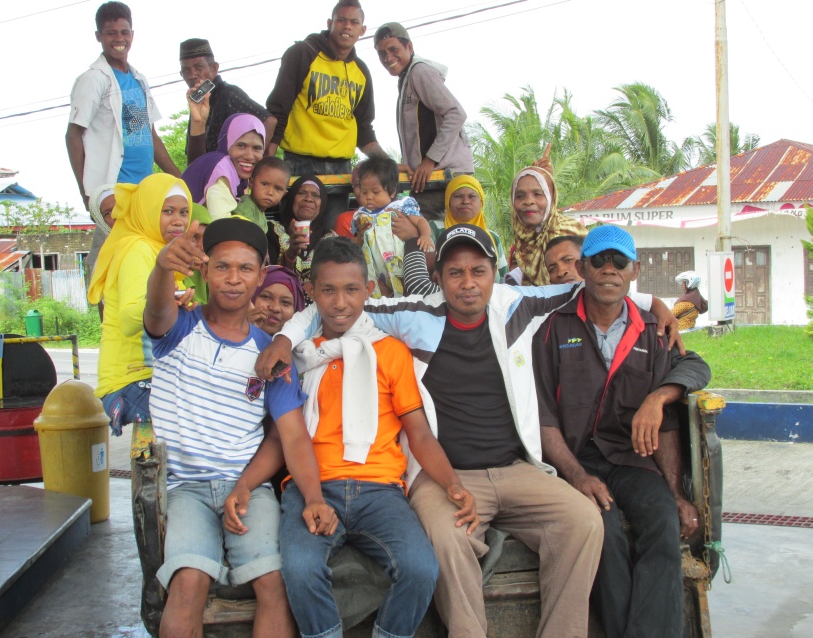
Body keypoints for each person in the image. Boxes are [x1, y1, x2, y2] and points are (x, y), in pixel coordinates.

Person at [257, 224, 683, 638]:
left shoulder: (515, 306)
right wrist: (282, 337)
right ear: (438, 277)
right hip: (447, 475)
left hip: (516, 469)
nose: (467, 283)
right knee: (444, 538)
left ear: (494, 274)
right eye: (455, 272)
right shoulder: (416, 315)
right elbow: (334, 301)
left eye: (478, 271)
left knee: (584, 522)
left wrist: (653, 302)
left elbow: (589, 286)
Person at [144, 216, 333, 638]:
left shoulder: (269, 354)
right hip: (184, 489)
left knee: (274, 585)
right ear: (204, 269)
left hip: (247, 489)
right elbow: (156, 311)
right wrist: (162, 267)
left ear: (260, 275)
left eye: (246, 269)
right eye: (223, 267)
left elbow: (292, 436)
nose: (234, 279)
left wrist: (314, 496)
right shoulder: (179, 329)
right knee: (188, 582)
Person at [279, 237, 477, 638]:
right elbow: (286, 436)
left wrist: (452, 483)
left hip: (381, 491)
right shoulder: (300, 357)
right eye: (328, 291)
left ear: (368, 291)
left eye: (352, 290)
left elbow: (418, 432)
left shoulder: (390, 352)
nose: (339, 303)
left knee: (421, 568)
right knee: (300, 570)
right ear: (312, 292)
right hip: (311, 485)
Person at [533, 225, 710, 638]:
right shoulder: (551, 329)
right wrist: (577, 476)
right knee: (604, 535)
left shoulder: (654, 330)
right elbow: (543, 417)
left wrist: (659, 397)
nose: (609, 269)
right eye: (598, 260)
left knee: (662, 522)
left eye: (619, 261)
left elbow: (697, 368)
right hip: (574, 462)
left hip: (632, 461)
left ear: (634, 270)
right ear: (582, 268)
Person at [87, 173, 192, 436]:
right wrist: (170, 303)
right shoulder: (138, 250)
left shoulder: (160, 250)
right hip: (127, 380)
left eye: (184, 211)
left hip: (151, 376)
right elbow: (130, 318)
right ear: (146, 211)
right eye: (167, 211)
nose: (178, 220)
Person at [66, 1, 180, 210]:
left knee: (142, 244)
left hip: (144, 190)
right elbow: (73, 135)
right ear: (99, 36)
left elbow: (151, 135)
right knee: (113, 243)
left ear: (132, 34)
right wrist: (87, 194)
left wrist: (180, 179)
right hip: (113, 192)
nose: (119, 38)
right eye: (111, 33)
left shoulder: (139, 80)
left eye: (124, 32)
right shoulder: (93, 79)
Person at [265, 0, 386, 175]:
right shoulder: (303, 53)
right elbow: (278, 109)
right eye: (341, 20)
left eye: (354, 22)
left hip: (342, 167)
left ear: (362, 30)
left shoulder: (361, 71)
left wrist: (387, 163)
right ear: (330, 24)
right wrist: (268, 160)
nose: (347, 26)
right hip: (300, 163)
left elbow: (364, 127)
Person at [373, 22, 473, 194]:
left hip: (444, 177)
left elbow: (456, 113)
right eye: (382, 53)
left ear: (409, 47)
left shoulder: (420, 71)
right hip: (430, 177)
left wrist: (430, 160)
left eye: (393, 50)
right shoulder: (407, 77)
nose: (388, 58)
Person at [179, 38, 277, 166]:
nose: (192, 75)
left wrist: (254, 163)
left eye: (198, 67)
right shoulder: (198, 102)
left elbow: (269, 121)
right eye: (186, 70)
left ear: (214, 68)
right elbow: (194, 161)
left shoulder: (229, 93)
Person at [352, 157, 433, 297]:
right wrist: (359, 235)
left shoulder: (400, 207)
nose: (369, 197)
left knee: (407, 296)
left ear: (392, 191)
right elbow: (356, 241)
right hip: (375, 270)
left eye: (375, 192)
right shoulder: (360, 216)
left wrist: (425, 235)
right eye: (364, 192)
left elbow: (420, 221)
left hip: (402, 265)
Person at [509, 164, 587, 286]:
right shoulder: (523, 240)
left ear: (551, 197)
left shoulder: (570, 230)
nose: (528, 201)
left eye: (538, 194)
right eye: (520, 196)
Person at [181, 114, 265, 221]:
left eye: (257, 148)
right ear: (227, 143)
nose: (249, 156)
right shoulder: (220, 169)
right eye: (241, 145)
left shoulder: (232, 172)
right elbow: (220, 222)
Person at [267, 175, 337, 290]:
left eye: (316, 195)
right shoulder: (273, 231)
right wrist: (291, 254)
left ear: (322, 203)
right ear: (291, 198)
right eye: (301, 193)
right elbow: (270, 277)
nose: (308, 198)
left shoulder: (331, 239)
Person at [231, 156, 291, 232]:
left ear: (284, 194)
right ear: (251, 183)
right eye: (265, 184)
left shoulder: (260, 213)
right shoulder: (245, 208)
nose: (270, 192)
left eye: (278, 189)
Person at [249, 266, 307, 335]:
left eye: (285, 302)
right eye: (266, 297)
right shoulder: (234, 339)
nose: (275, 308)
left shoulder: (308, 345)